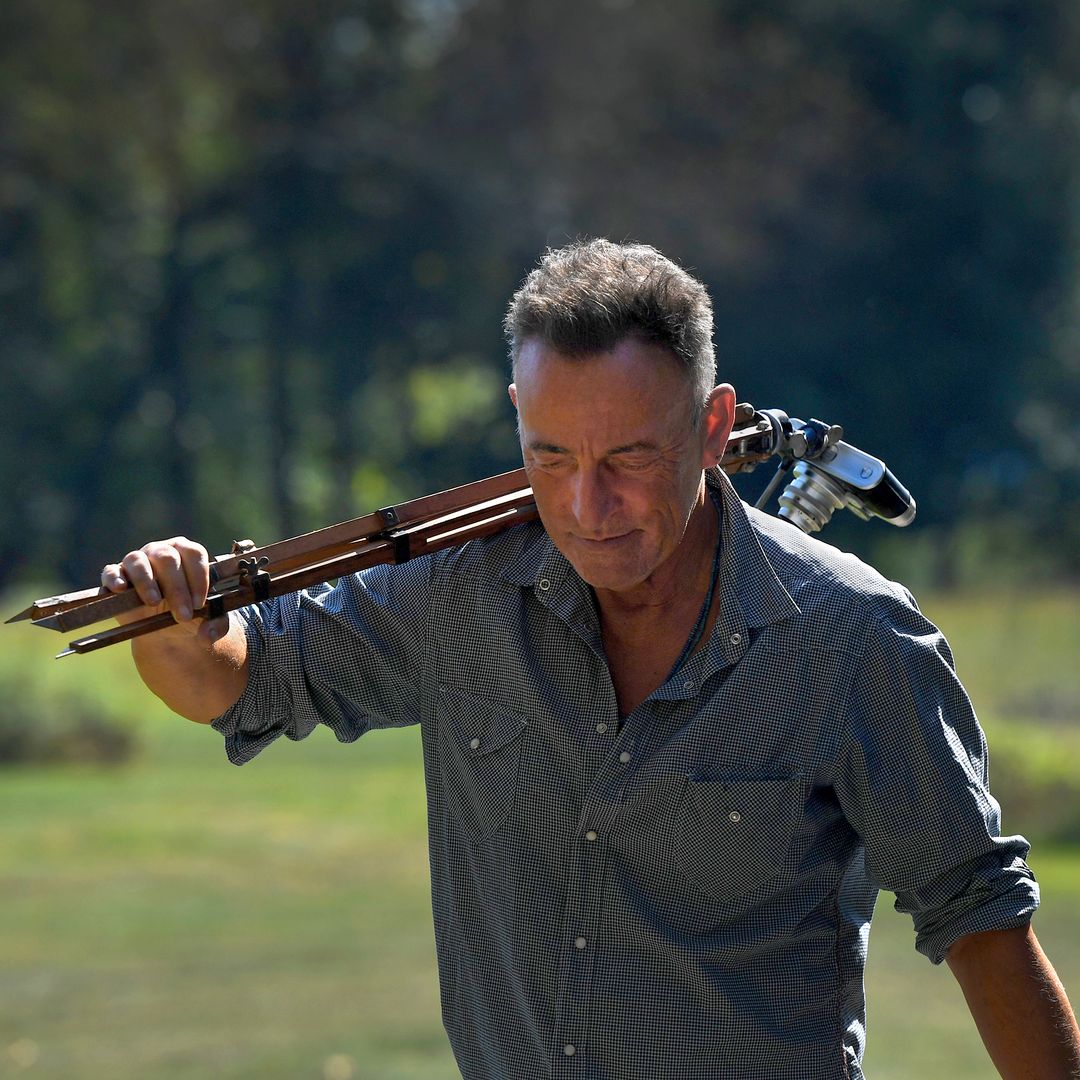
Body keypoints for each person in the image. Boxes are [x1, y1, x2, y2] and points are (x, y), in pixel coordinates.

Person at [104, 239, 1079, 1079]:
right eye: (552, 456)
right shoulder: (458, 589)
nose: (586, 509)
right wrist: (174, 621)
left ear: (711, 426)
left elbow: (984, 923)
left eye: (629, 461)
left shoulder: (854, 641)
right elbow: (237, 680)